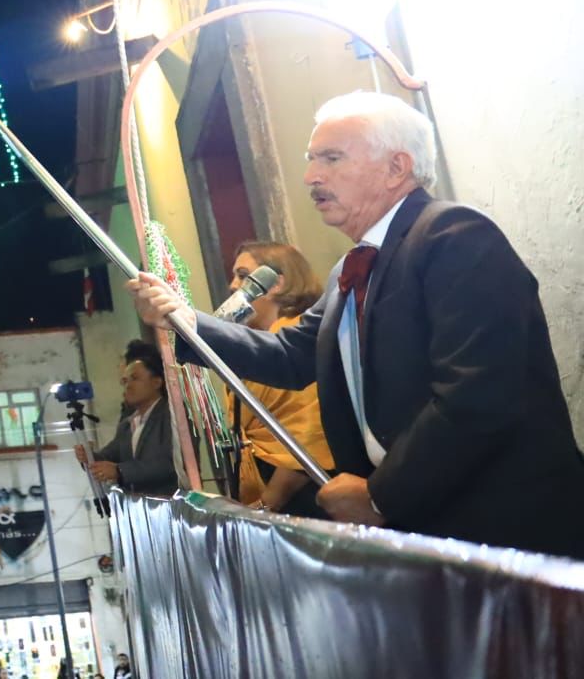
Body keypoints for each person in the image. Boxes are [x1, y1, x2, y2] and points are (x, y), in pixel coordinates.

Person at [128, 91, 584, 556]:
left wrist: (379, 495)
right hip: (424, 527)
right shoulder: (353, 267)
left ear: (396, 167)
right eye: (311, 160)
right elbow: (291, 355)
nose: (310, 176)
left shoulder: (454, 236)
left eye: (331, 158)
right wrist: (185, 322)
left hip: (506, 527)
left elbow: (477, 394)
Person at [226, 240, 334, 517]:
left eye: (242, 275)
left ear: (276, 284)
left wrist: (267, 504)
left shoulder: (297, 340)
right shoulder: (260, 342)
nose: (233, 286)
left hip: (306, 495)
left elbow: (309, 435)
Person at [75, 340, 177, 496]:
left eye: (135, 378)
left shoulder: (171, 416)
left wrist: (119, 471)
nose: (128, 386)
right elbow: (110, 456)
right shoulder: (127, 425)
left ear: (157, 382)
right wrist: (89, 456)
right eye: (125, 381)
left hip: (170, 505)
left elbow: (171, 465)